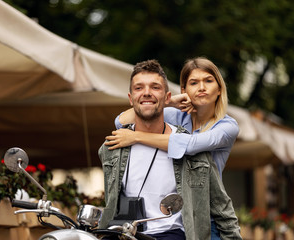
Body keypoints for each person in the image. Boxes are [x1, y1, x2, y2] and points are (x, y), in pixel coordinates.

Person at [98, 59, 242, 240]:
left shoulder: (227, 126)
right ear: (184, 90)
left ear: (220, 88)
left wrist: (136, 136)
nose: (201, 87)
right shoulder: (178, 115)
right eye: (194, 83)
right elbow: (122, 120)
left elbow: (189, 145)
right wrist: (167, 100)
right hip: (172, 214)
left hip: (206, 211)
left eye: (208, 81)